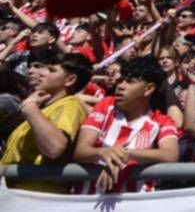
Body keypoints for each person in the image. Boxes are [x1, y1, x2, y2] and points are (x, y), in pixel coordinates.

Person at [73, 56, 179, 193]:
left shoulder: (161, 121)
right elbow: (80, 151)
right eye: (121, 80)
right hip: (88, 199)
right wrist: (102, 152)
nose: (120, 86)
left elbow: (171, 155)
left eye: (129, 82)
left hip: (134, 204)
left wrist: (124, 155)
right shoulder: (105, 106)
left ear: (149, 89)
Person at [1, 51, 92, 193]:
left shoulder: (70, 105)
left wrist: (30, 109)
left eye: (51, 70)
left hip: (38, 196)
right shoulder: (43, 109)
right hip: (18, 193)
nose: (42, 73)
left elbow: (54, 147)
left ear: (70, 80)